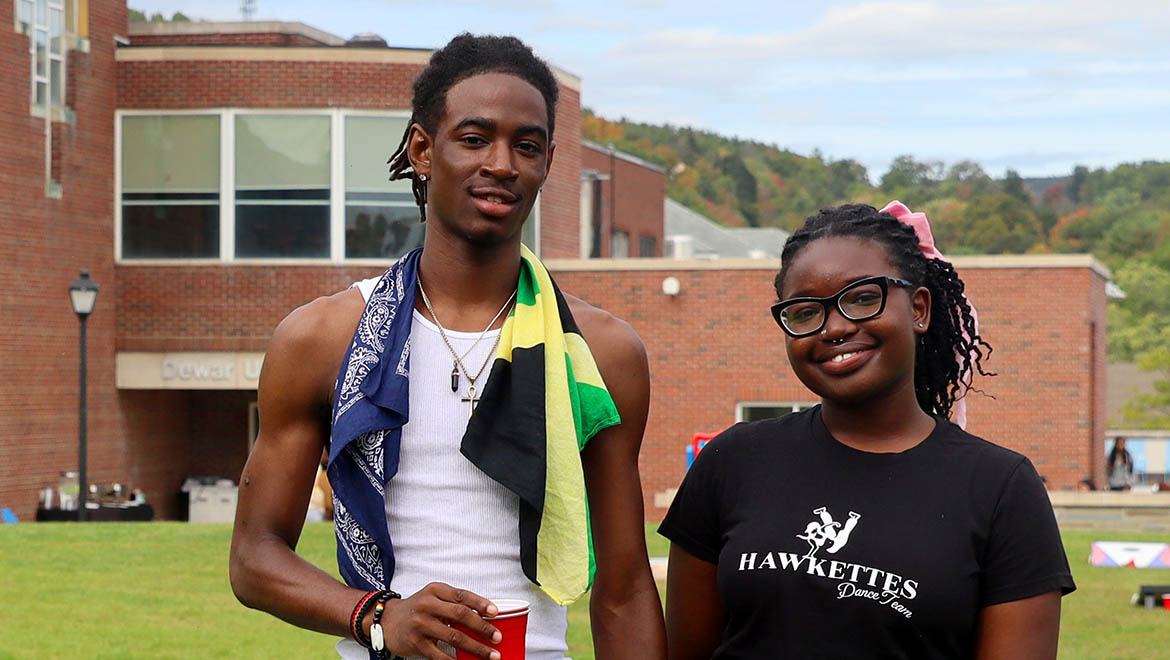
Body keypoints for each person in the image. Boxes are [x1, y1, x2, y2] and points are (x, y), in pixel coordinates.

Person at [230, 34, 665, 660]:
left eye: (527, 145)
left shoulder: (599, 351)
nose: (502, 163)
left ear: (546, 164)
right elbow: (254, 556)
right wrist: (379, 617)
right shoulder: (324, 338)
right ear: (422, 149)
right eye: (474, 138)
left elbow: (622, 590)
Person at [659, 203, 1075, 659]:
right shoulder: (732, 460)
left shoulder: (1001, 487)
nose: (834, 327)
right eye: (804, 312)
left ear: (918, 308)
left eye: (861, 298)